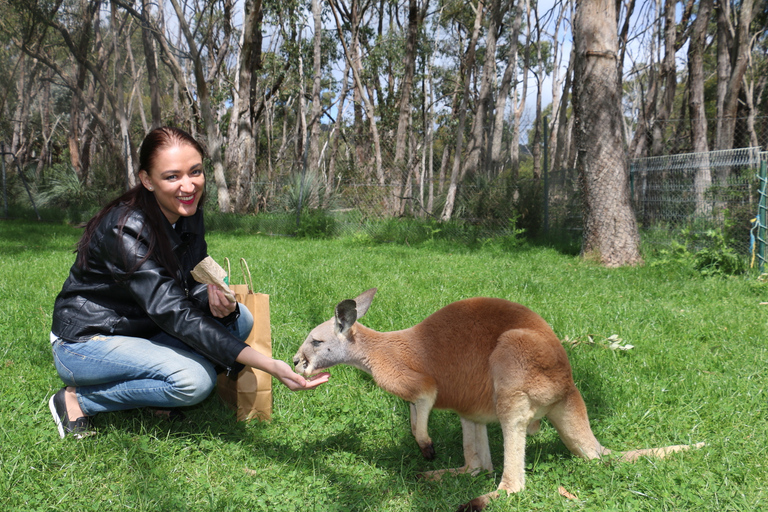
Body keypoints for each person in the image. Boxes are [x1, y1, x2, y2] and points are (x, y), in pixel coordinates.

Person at [48, 126, 329, 439]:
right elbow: (173, 312)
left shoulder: (188, 211)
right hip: (88, 342)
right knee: (194, 382)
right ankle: (77, 400)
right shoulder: (124, 229)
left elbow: (193, 275)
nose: (188, 185)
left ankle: (154, 393)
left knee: (241, 320)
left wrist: (213, 299)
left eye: (195, 171)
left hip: (145, 328)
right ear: (146, 180)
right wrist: (268, 364)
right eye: (172, 176)